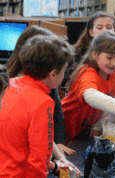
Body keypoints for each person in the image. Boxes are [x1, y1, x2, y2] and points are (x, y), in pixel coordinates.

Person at [0, 34, 73, 177]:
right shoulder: (43, 103)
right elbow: (39, 161)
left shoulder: (12, 83)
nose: (64, 74)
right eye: (64, 70)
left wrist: (57, 165)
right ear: (53, 74)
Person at [62, 30, 115, 144]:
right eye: (109, 58)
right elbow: (91, 96)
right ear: (94, 54)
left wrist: (97, 125)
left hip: (82, 132)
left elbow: (106, 100)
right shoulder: (87, 73)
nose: (113, 63)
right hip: (64, 129)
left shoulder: (112, 71)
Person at [61, 11, 115, 94]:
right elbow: (66, 85)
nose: (105, 31)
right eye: (99, 28)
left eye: (109, 28)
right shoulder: (77, 55)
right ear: (91, 32)